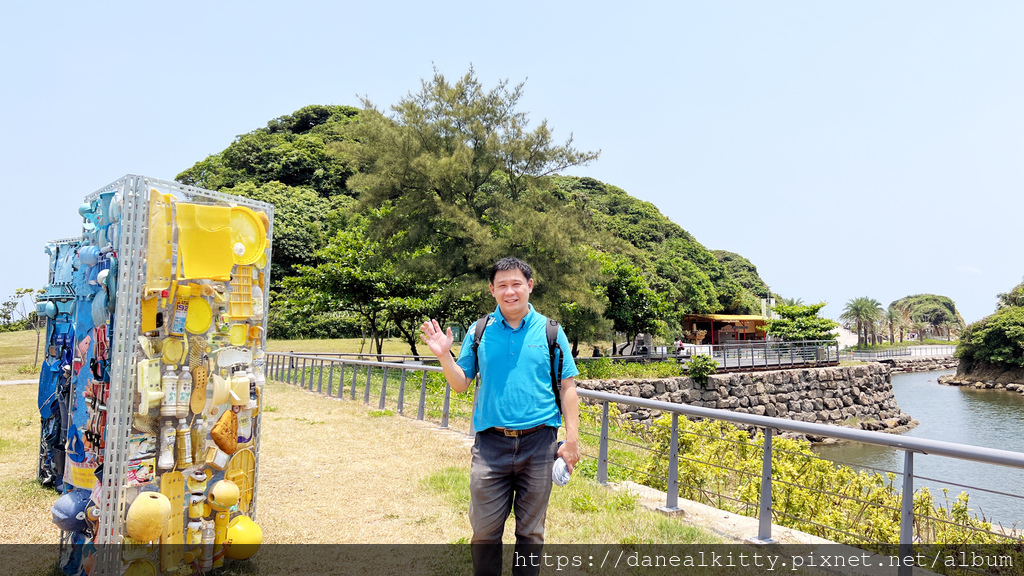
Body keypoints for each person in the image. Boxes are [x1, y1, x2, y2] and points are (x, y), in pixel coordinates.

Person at [420, 257, 579, 576]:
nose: (510, 291)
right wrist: (443, 356)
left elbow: (568, 386)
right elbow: (462, 383)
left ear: (530, 286)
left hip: (540, 445)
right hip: (491, 446)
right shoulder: (479, 331)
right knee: (484, 532)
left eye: (516, 284)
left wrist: (572, 440)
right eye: (502, 285)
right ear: (492, 290)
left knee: (531, 534)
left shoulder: (551, 331)